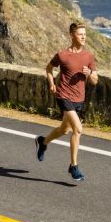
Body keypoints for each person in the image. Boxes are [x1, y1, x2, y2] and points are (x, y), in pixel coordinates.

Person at [35, 22, 98, 181]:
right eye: (80, 34)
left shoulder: (88, 56)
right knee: (78, 129)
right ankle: (73, 166)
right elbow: (49, 68)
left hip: (79, 99)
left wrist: (89, 72)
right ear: (72, 35)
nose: (83, 37)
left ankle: (43, 142)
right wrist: (51, 83)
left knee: (64, 129)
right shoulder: (62, 55)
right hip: (63, 96)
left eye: (85, 34)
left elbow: (95, 80)